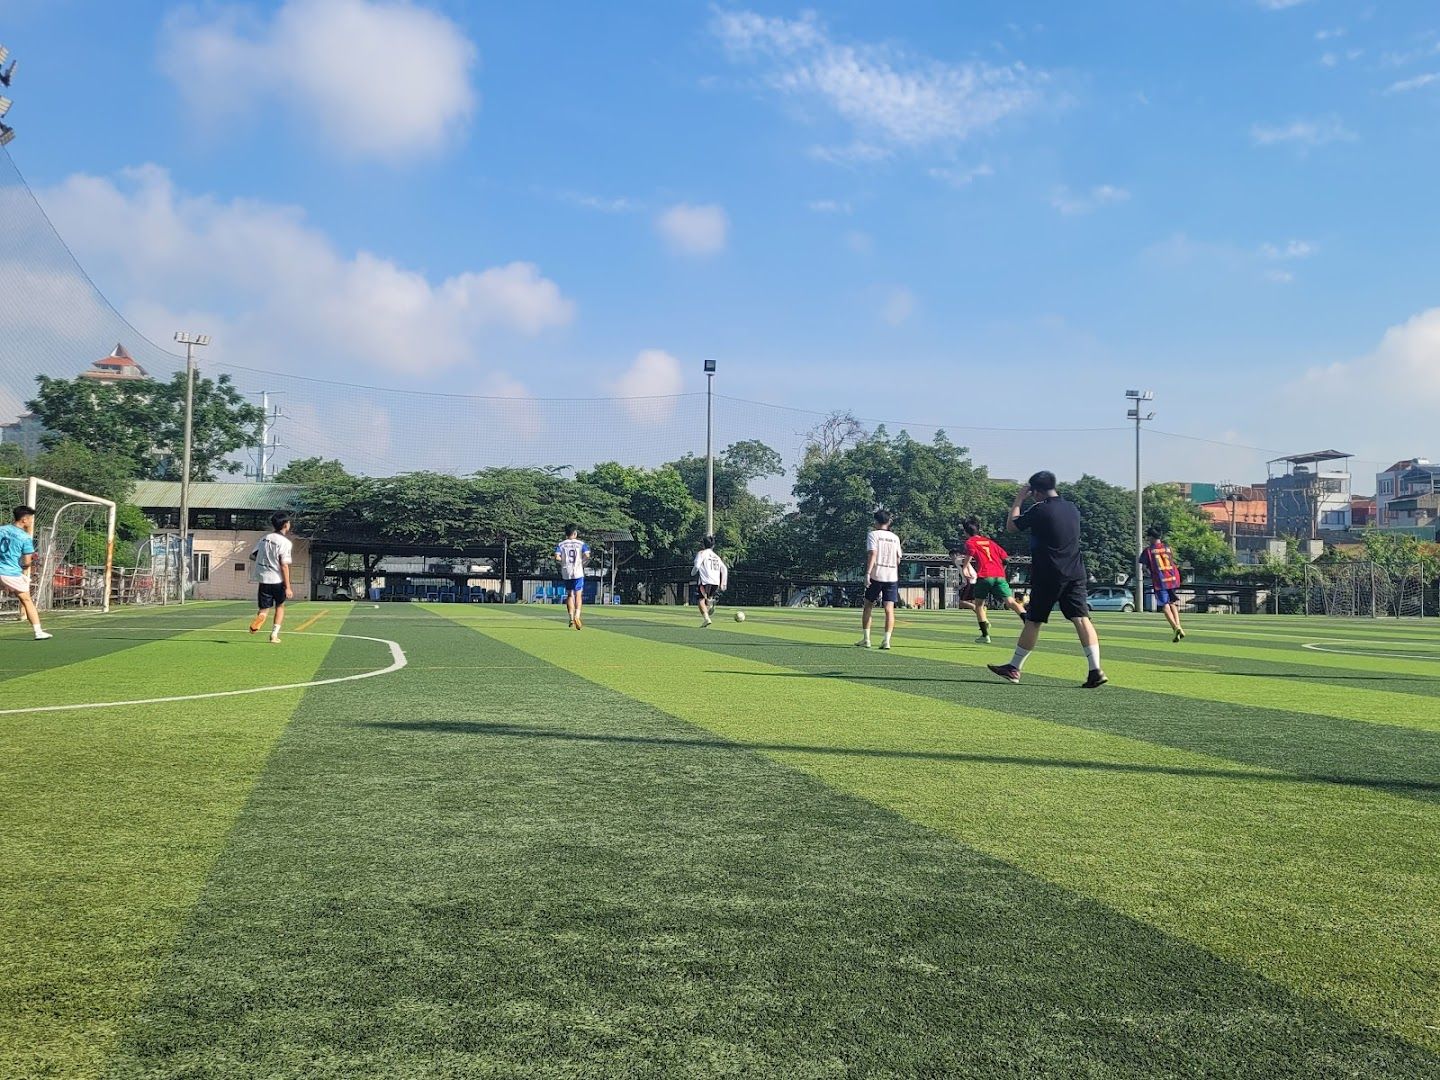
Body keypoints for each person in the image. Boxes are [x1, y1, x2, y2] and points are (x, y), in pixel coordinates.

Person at [987, 472, 1107, 688]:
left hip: (1049, 573)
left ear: (1036, 492)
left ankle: (1014, 667)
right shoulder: (1072, 508)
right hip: (1075, 571)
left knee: (1034, 620)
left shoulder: (1040, 509)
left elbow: (1012, 526)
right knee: (1081, 618)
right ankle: (1095, 669)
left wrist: (1018, 499)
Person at [960, 518, 1026, 644]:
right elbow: (1005, 558)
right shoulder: (989, 541)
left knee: (979, 605)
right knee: (1011, 602)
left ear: (966, 532)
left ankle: (985, 635)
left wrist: (964, 568)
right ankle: (1026, 620)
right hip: (999, 576)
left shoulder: (970, 542)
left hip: (985, 576)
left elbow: (970, 554)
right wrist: (1000, 570)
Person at [0, 505, 51, 640]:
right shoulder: (25, 537)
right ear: (24, 520)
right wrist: (23, 566)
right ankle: (38, 632)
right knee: (27, 600)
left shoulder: (2, 530)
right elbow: (27, 562)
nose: (31, 522)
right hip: (11, 572)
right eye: (30, 519)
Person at [857, 509, 902, 650]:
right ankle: (886, 640)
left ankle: (867, 639)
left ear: (876, 521)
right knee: (889, 609)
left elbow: (873, 553)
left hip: (876, 575)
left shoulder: (873, 534)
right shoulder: (895, 537)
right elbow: (898, 559)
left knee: (868, 605)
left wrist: (867, 573)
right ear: (889, 522)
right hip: (891, 576)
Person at [248, 512, 294, 643]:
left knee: (264, 608)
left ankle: (261, 617)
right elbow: (284, 565)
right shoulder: (285, 542)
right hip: (277, 579)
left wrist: (265, 560)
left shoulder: (265, 538)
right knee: (280, 606)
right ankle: (274, 635)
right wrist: (288, 587)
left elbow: (252, 555)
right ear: (285, 525)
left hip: (263, 579)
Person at [1141, 526, 1186, 642]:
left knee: (1164, 605)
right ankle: (1179, 625)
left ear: (1151, 537)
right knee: (1172, 603)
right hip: (1172, 578)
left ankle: (1175, 628)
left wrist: (1149, 574)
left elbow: (1144, 567)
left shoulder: (1148, 551)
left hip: (1160, 580)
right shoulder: (1168, 548)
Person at [554, 524, 591, 630]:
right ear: (575, 533)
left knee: (570, 594)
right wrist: (582, 562)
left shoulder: (561, 544)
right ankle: (577, 616)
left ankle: (571, 618)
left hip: (566, 571)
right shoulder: (581, 544)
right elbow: (587, 555)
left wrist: (563, 561)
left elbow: (557, 557)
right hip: (578, 571)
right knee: (578, 594)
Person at [693, 535, 728, 627]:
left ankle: (706, 619)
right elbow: (724, 569)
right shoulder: (716, 556)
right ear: (713, 545)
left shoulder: (701, 553)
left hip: (705, 581)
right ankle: (710, 603)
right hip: (715, 582)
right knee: (707, 598)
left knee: (700, 600)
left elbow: (697, 566)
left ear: (703, 544)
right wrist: (723, 583)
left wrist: (692, 573)